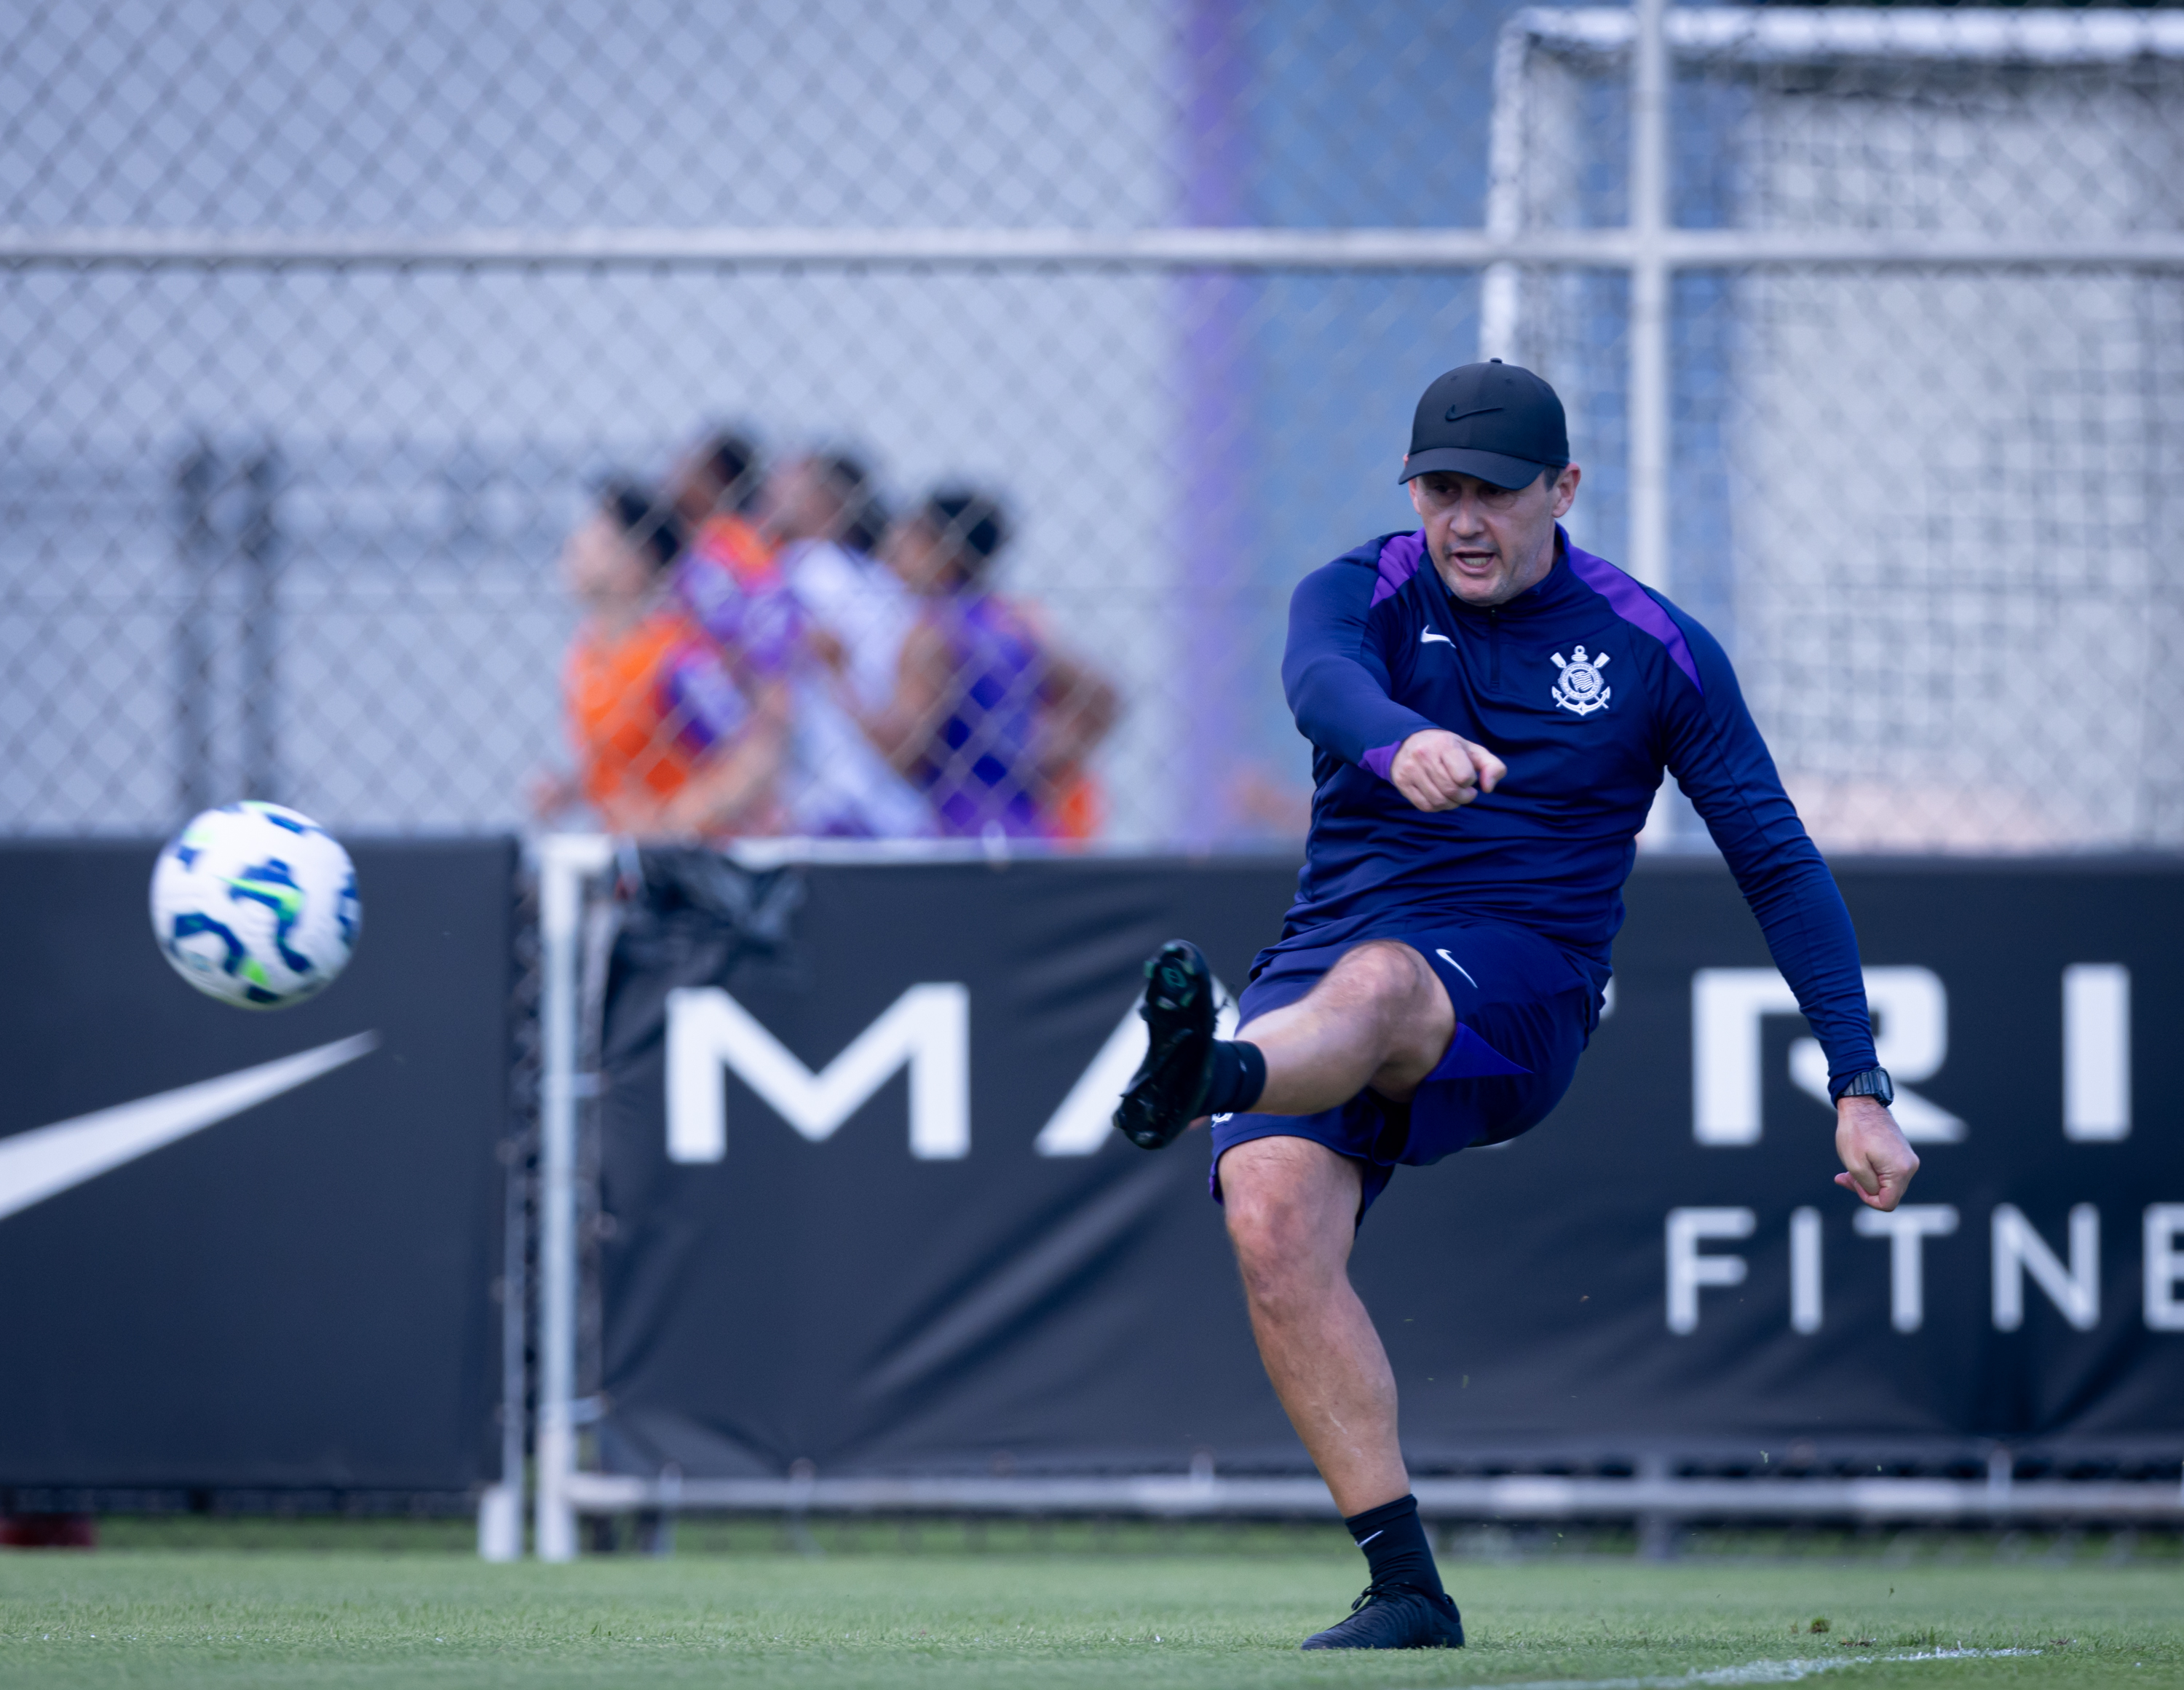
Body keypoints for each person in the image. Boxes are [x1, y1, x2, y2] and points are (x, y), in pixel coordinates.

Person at [1112, 362, 1918, 1650]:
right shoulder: (1360, 588)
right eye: (1440, 489)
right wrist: (1395, 742)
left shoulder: (1655, 649)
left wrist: (1859, 1084)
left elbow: (1775, 857)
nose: (1464, 519)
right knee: (1270, 1222)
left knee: (1381, 987)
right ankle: (1408, 1590)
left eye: (1494, 491)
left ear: (1564, 489)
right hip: (1324, 965)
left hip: (1521, 992)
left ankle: (1211, 1073)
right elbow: (1318, 683)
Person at [852, 489, 1117, 840]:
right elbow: (1102, 698)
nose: (891, 554)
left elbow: (906, 753)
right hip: (1024, 820)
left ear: (942, 550)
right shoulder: (1012, 625)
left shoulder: (934, 632)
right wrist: (1048, 758)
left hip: (951, 827)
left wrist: (839, 678)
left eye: (907, 540)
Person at [544, 481, 786, 837]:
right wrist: (571, 792)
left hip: (694, 861)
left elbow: (755, 759)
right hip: (632, 858)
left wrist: (672, 821)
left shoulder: (673, 658)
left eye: (596, 536)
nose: (575, 546)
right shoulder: (586, 652)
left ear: (635, 562)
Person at [761, 450, 935, 837]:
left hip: (824, 793)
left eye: (787, 483)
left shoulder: (803, 567)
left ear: (824, 499)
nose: (769, 492)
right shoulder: (885, 581)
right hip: (892, 796)